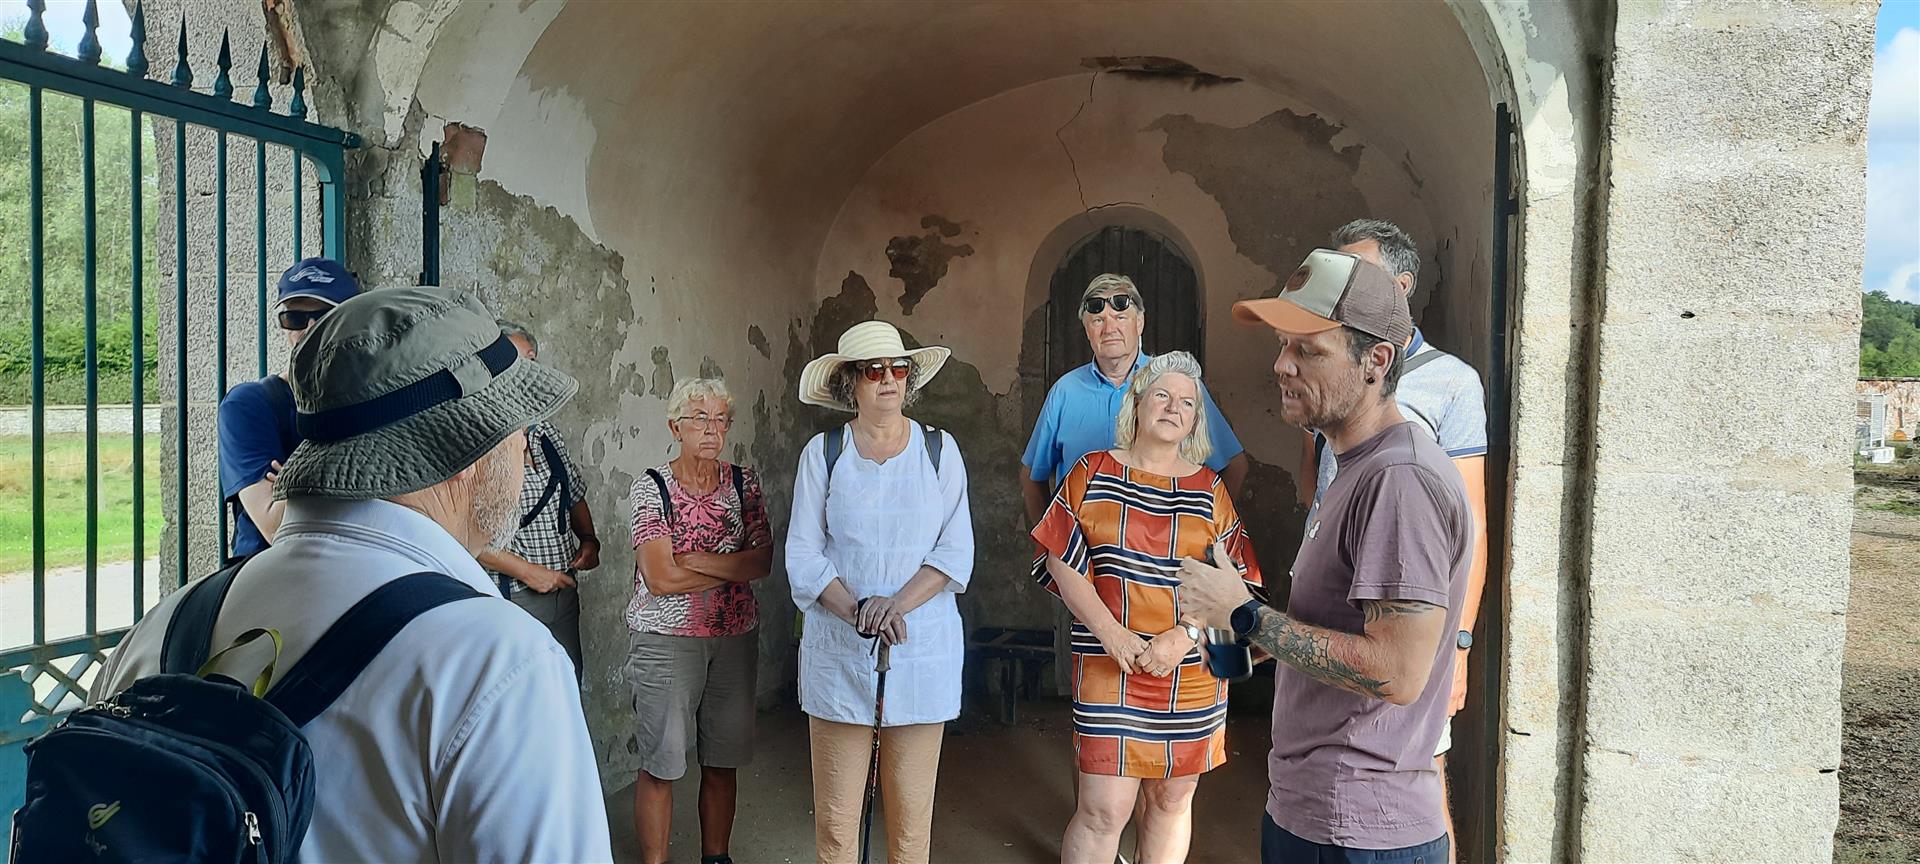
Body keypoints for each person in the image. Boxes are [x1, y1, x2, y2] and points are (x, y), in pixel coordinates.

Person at [92, 286, 614, 862]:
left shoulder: (161, 626)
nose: (522, 443)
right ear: (471, 451)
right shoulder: (497, 661)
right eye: (515, 424)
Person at [1176, 250, 1472, 864]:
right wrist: (1255, 637)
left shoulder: (1400, 479)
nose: (1281, 366)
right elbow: (1345, 627)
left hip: (1357, 826)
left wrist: (1248, 616)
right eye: (1283, 345)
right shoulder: (1357, 466)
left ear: (1376, 361)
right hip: (1318, 814)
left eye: (1308, 350)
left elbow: (1396, 671)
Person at [1030, 350, 1262, 864]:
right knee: (1102, 809)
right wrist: (1114, 635)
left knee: (1170, 802)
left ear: (1196, 420)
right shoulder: (1093, 471)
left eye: (1186, 402)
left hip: (1192, 667)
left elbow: (1237, 580)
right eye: (1162, 394)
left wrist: (1183, 638)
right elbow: (1062, 558)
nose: (1173, 407)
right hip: (1108, 658)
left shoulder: (1210, 490)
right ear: (1137, 402)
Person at [1305, 219, 1489, 854]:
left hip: (1407, 621)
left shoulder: (1453, 384)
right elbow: (1320, 484)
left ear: (1401, 287)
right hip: (1337, 607)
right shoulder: (1327, 371)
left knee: (1415, 772)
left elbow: (1473, 518)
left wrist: (1458, 646)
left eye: (1352, 275)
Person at [786, 320, 974, 864]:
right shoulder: (822, 454)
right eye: (874, 370)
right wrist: (859, 611)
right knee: (839, 827)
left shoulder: (940, 451)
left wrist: (894, 605)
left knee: (912, 828)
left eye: (898, 369)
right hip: (839, 651)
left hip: (922, 649)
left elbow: (954, 550)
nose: (889, 379)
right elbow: (803, 553)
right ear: (851, 384)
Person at [625, 377, 772, 864]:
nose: (711, 429)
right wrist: (728, 564)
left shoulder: (741, 482)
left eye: (720, 419)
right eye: (699, 418)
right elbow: (660, 579)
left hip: (733, 638)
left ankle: (716, 857)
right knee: (662, 764)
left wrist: (695, 559)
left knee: (723, 759)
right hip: (667, 640)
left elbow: (761, 563)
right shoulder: (651, 487)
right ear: (675, 426)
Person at [1022, 273, 1248, 531]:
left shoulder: (1176, 385)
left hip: (1158, 560)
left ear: (1140, 322)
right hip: (1078, 560)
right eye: (1098, 320)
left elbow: (1233, 466)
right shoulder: (1064, 392)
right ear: (1087, 330)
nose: (1109, 329)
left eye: (1120, 318)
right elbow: (1032, 477)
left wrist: (1203, 535)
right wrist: (1049, 543)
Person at [477, 320, 601, 680]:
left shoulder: (546, 432)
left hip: (562, 592)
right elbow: (460, 535)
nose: (526, 371)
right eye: (515, 362)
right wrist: (531, 574)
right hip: (510, 596)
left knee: (564, 689)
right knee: (518, 700)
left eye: (531, 361)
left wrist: (589, 540)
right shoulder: (477, 438)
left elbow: (573, 492)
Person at [217, 257, 360, 558]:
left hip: (351, 577)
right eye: (294, 318)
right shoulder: (249, 405)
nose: (307, 329)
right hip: (266, 583)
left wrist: (294, 483)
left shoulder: (375, 400)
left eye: (323, 318)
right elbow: (276, 526)